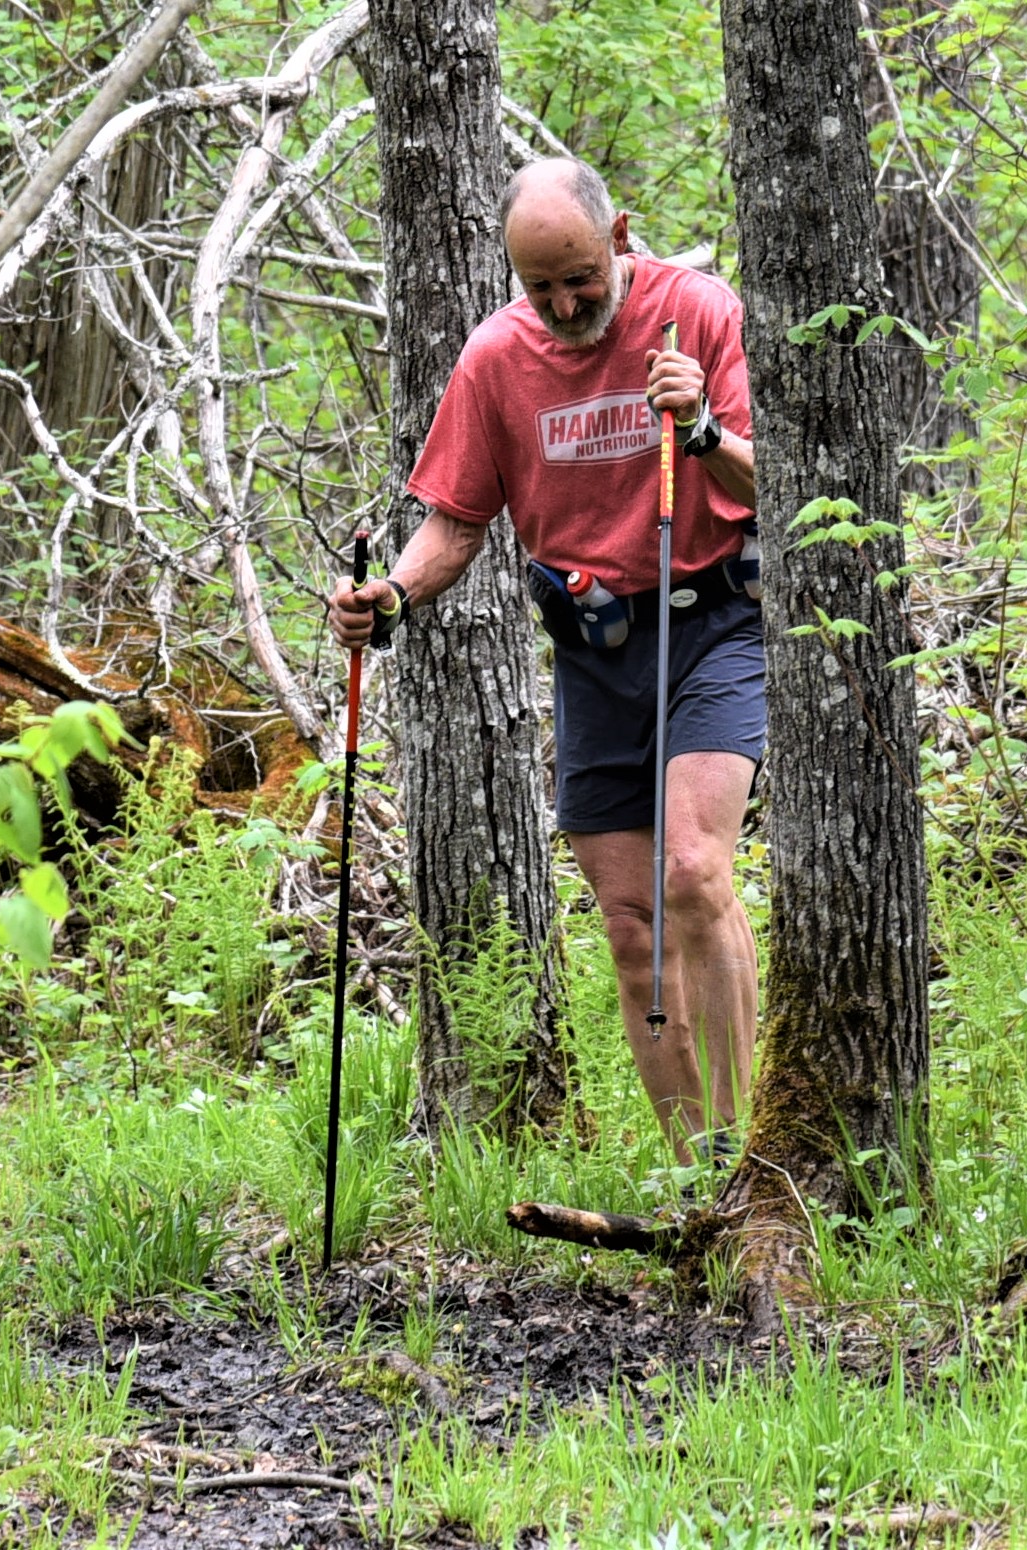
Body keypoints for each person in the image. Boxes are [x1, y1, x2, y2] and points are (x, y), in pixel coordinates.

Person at [327, 157, 760, 1166]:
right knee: (628, 923)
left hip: (710, 623)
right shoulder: (496, 360)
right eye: (541, 287)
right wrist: (388, 597)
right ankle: (696, 1175)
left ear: (620, 239)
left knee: (693, 871)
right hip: (592, 650)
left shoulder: (695, 311)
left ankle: (758, 1169)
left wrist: (700, 428)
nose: (565, 303)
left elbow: (774, 468)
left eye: (581, 278)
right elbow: (454, 522)